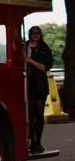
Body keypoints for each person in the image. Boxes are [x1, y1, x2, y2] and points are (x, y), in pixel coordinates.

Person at [25, 25, 53, 153]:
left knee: (39, 114)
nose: (35, 35)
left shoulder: (44, 48)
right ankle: (31, 141)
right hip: (28, 84)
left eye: (37, 33)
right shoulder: (25, 46)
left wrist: (30, 61)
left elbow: (44, 67)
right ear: (29, 34)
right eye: (33, 33)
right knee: (30, 115)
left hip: (40, 85)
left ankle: (38, 142)